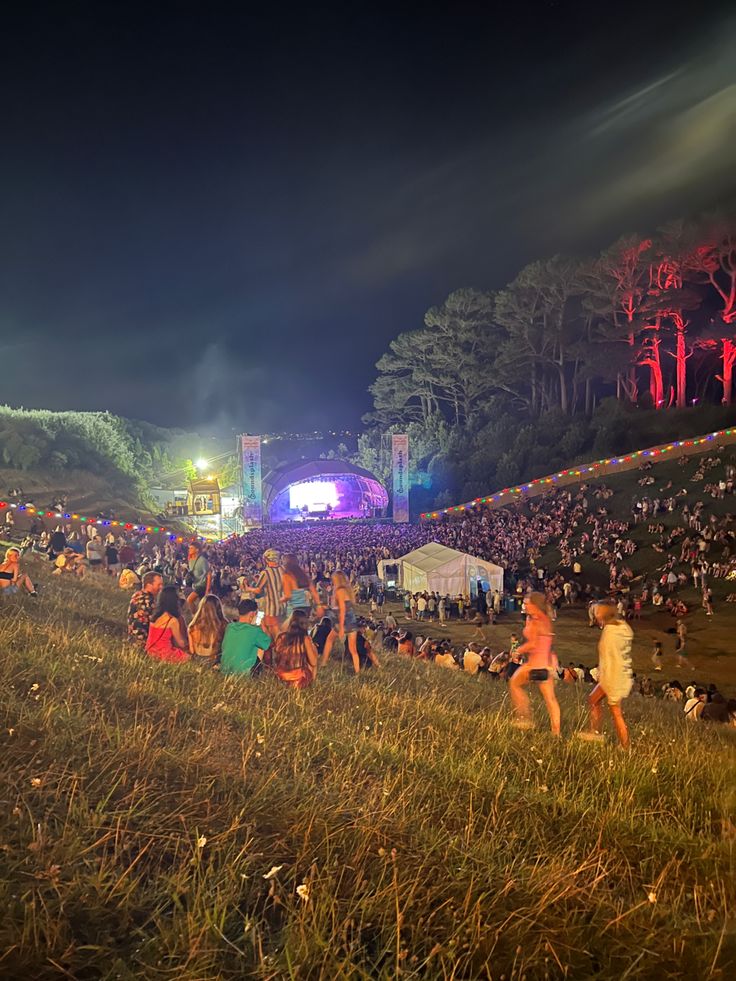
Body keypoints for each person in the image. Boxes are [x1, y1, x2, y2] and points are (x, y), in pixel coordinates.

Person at [579, 602, 633, 748]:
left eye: (597, 612)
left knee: (616, 712)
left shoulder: (610, 632)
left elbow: (610, 656)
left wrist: (603, 674)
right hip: (618, 674)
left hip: (612, 677)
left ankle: (625, 746)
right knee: (593, 700)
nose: (595, 616)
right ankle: (595, 732)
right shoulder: (622, 627)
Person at [508, 592, 561, 735]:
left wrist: (518, 650)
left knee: (514, 684)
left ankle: (524, 717)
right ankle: (556, 732)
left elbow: (533, 644)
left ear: (535, 605)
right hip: (544, 665)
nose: (524, 605)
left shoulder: (538, 621)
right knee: (550, 699)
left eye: (527, 603)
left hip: (534, 665)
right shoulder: (541, 619)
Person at [321, 571, 361, 672]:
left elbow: (342, 610)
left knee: (329, 640)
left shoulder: (340, 591)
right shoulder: (347, 590)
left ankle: (323, 663)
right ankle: (358, 671)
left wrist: (342, 628)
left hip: (344, 620)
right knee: (353, 649)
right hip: (352, 620)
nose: (332, 580)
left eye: (333, 579)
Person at [220, 598, 272, 675]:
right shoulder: (255, 631)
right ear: (252, 614)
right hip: (243, 674)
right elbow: (268, 644)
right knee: (261, 646)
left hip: (225, 670)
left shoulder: (229, 627)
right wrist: (262, 625)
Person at [242, 549, 284, 640]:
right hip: (283, 605)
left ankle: (275, 650)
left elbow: (258, 590)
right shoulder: (283, 569)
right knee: (279, 630)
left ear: (266, 559)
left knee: (272, 632)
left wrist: (247, 588)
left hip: (272, 607)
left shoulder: (266, 572)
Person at [271, 610, 318, 688]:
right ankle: (312, 684)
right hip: (298, 680)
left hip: (281, 677)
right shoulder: (304, 639)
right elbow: (313, 662)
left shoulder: (281, 637)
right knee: (313, 654)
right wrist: (312, 645)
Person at [145, 585, 189, 663]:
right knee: (187, 657)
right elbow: (180, 643)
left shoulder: (154, 616)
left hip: (150, 651)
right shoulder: (172, 620)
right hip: (164, 654)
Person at [188, 593, 228, 667]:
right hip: (215, 661)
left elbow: (191, 650)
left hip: (197, 661)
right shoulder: (223, 625)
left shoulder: (193, 627)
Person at [281, 553, 321, 620]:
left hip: (294, 608)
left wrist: (277, 601)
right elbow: (314, 592)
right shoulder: (304, 575)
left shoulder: (287, 576)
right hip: (306, 607)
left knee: (292, 628)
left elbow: (287, 596)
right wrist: (319, 606)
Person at [127, 571, 163, 645]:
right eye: (159, 585)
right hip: (144, 642)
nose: (161, 587)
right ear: (149, 585)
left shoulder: (136, 595)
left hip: (132, 640)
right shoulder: (149, 600)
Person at [186, 543, 211, 613]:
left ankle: (195, 616)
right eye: (189, 548)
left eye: (191, 548)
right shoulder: (190, 560)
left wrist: (207, 589)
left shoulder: (202, 560)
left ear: (197, 550)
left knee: (189, 600)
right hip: (195, 584)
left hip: (201, 585)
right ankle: (202, 617)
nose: (189, 550)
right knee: (202, 605)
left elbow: (208, 574)